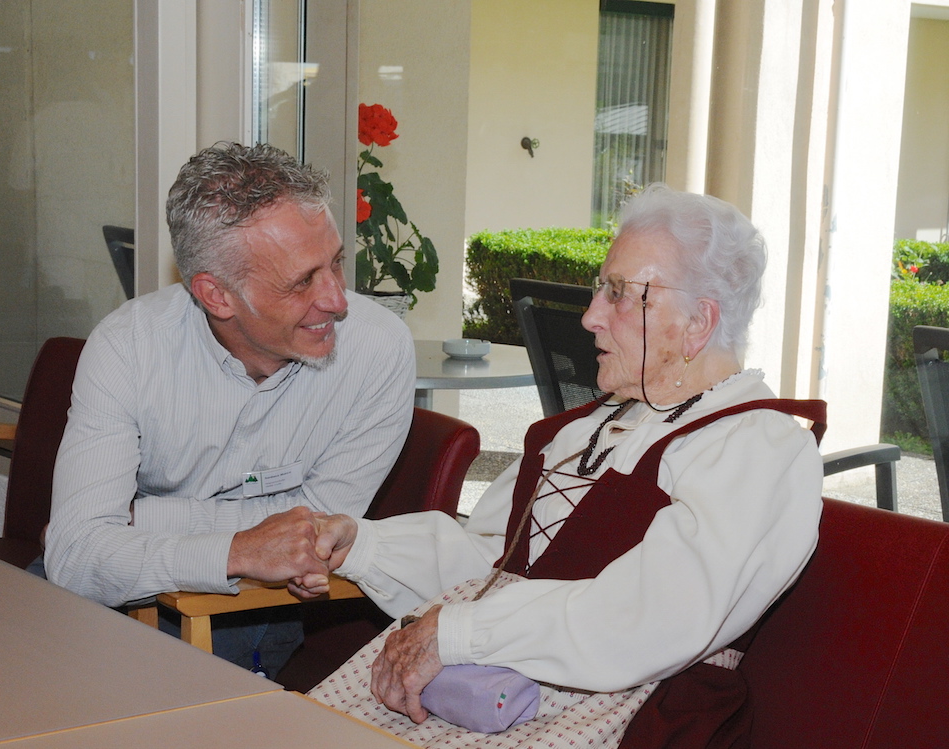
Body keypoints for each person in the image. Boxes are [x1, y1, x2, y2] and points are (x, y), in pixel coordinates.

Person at [294, 184, 825, 747]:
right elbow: (493, 566)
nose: (591, 316)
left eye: (619, 294)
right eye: (600, 289)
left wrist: (460, 633)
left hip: (626, 713)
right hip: (495, 691)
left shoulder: (757, 446)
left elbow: (653, 618)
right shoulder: (590, 427)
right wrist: (364, 547)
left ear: (698, 322)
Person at [44, 142, 416, 675]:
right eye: (302, 281)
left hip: (247, 608)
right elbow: (77, 559)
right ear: (216, 296)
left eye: (336, 262)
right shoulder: (129, 345)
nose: (337, 299)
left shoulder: (378, 348)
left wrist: (140, 518)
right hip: (103, 597)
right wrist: (238, 549)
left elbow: (313, 533)